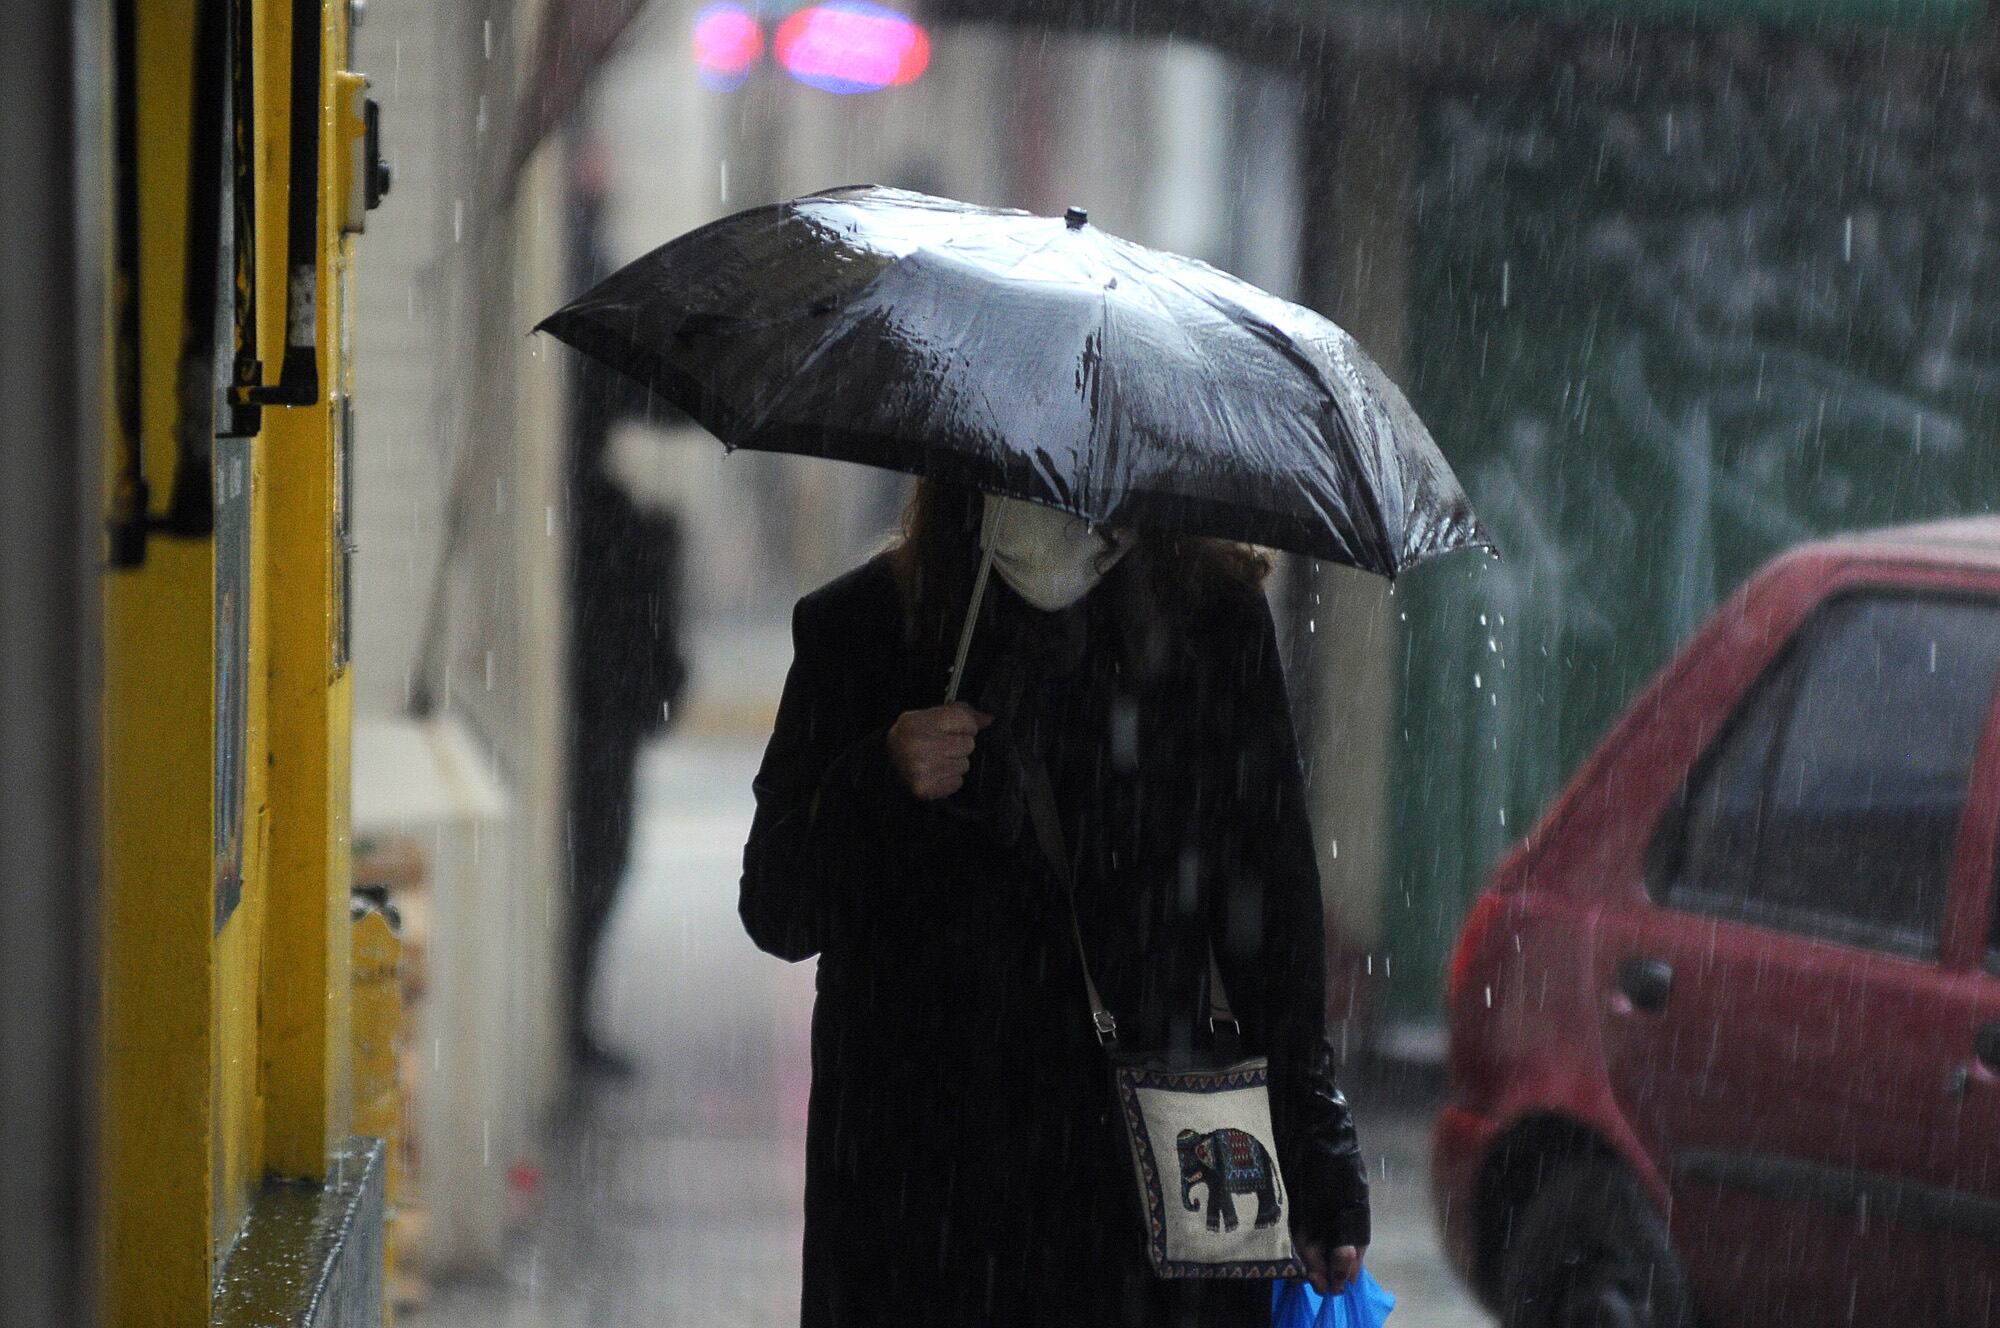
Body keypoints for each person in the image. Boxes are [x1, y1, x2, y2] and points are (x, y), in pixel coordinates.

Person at [741, 481, 1369, 1327]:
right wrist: (882, 778)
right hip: (922, 1185)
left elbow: (1273, 914)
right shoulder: (866, 630)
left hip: (1147, 1170)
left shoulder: (1209, 628)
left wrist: (1317, 1157)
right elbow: (777, 904)